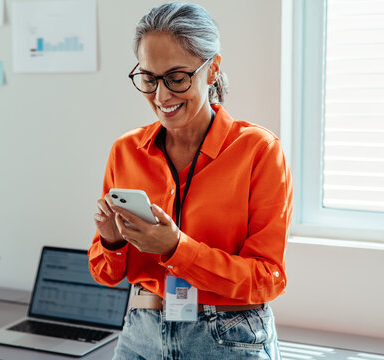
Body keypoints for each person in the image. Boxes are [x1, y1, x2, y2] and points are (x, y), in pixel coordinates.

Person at [88, 2, 292, 359]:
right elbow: (105, 274)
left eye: (177, 78)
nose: (161, 96)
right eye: (149, 79)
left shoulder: (259, 150)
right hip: (141, 332)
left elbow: (268, 278)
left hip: (228, 337)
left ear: (211, 69)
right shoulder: (126, 151)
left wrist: (175, 248)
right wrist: (112, 240)